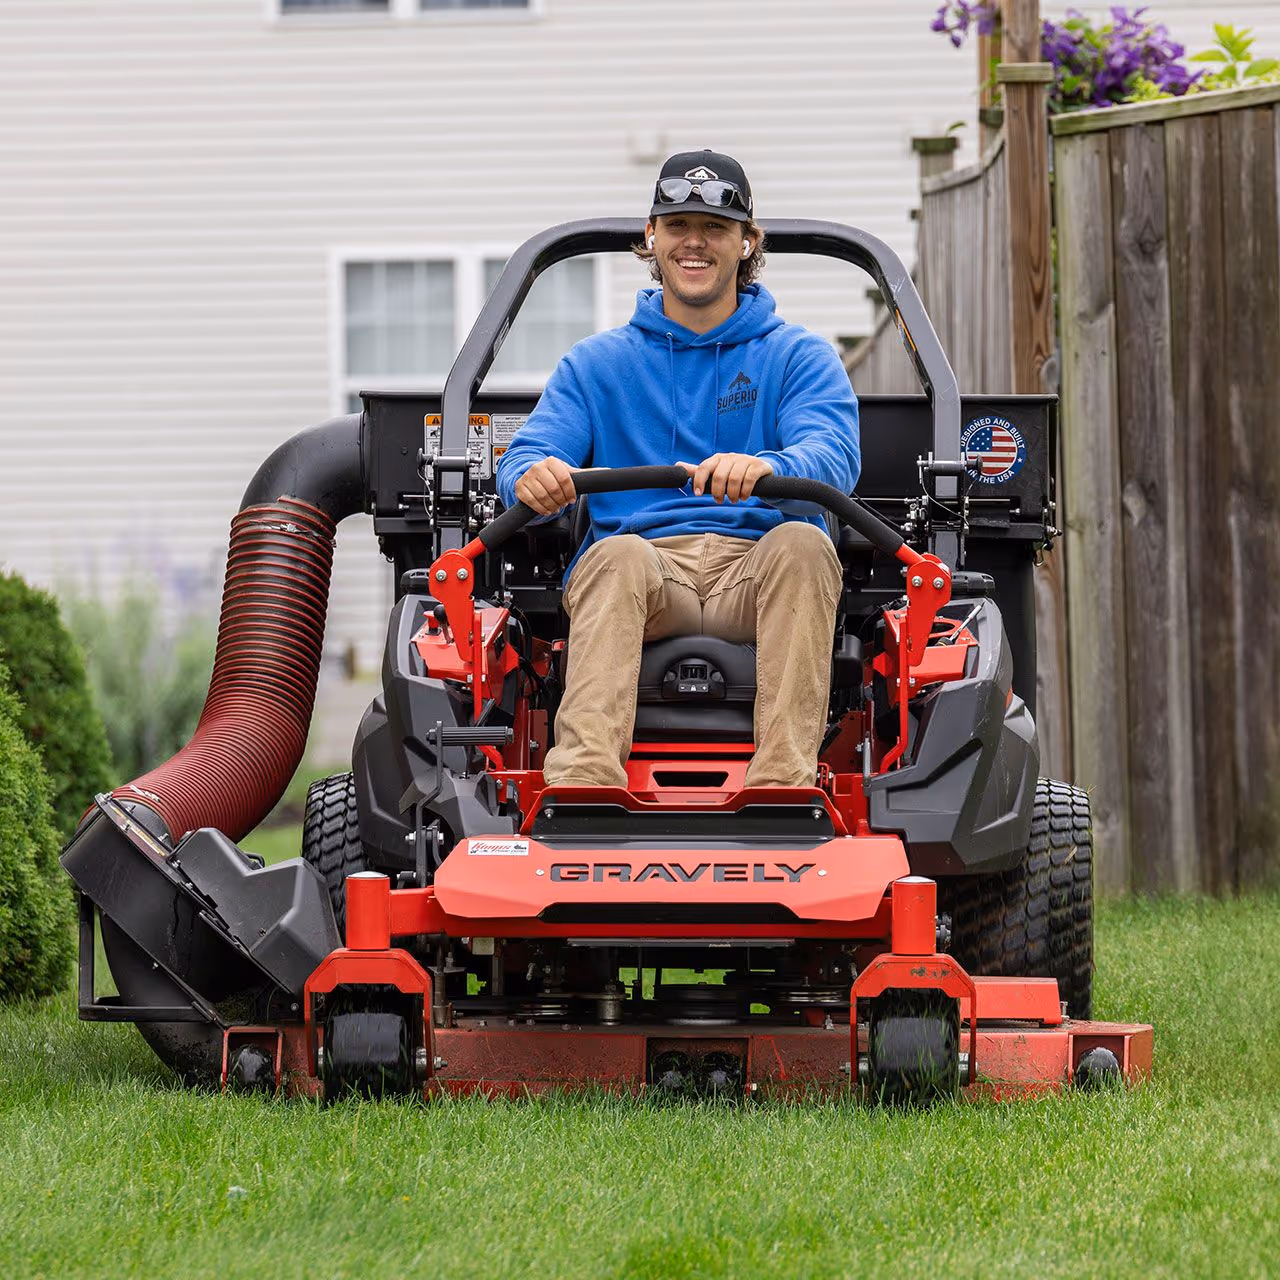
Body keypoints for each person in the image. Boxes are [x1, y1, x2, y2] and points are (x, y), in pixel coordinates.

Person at [495, 149, 860, 789]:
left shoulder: (799, 356)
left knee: (805, 545)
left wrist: (766, 467)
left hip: (757, 569)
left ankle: (782, 787)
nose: (695, 242)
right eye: (678, 226)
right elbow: (528, 454)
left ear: (748, 242)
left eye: (715, 227)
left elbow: (832, 457)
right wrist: (531, 475)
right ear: (651, 236)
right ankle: (583, 785)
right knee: (613, 557)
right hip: (645, 570)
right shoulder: (595, 364)